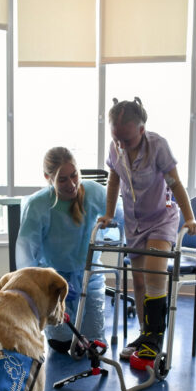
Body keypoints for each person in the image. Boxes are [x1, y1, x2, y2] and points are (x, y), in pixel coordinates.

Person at [98, 97, 196, 369]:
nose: (120, 145)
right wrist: (109, 214)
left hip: (162, 218)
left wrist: (189, 218)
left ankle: (155, 339)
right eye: (116, 139)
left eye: (127, 140)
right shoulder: (115, 148)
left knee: (155, 275)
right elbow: (113, 181)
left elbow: (176, 184)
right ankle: (145, 335)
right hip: (135, 220)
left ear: (142, 130)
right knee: (140, 283)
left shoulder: (158, 146)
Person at [16, 146, 120, 354]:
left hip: (90, 275)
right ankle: (62, 333)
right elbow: (26, 253)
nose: (71, 184)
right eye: (62, 179)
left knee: (94, 345)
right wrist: (41, 286)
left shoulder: (94, 192)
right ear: (48, 178)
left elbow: (121, 222)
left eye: (74, 175)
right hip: (55, 280)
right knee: (62, 344)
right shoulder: (38, 205)